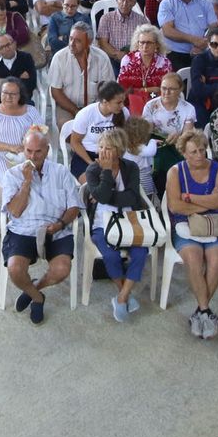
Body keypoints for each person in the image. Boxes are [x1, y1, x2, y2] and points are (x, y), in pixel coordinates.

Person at [0, 128, 81, 326]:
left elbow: (74, 207)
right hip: (23, 228)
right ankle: (37, 297)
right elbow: (15, 212)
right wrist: (26, 183)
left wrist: (61, 223)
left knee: (62, 269)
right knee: (15, 270)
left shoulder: (61, 172)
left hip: (56, 228)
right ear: (23, 151)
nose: (32, 156)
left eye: (38, 151)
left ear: (47, 150)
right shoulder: (12, 175)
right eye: (28, 151)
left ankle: (36, 285)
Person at [165, 129, 218, 338]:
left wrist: (190, 199)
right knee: (193, 259)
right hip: (185, 225)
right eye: (193, 152)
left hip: (217, 224)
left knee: (216, 261)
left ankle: (200, 312)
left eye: (202, 150)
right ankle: (205, 312)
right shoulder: (175, 172)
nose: (199, 156)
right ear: (184, 153)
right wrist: (206, 203)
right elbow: (175, 206)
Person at [84, 128, 151, 322]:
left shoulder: (130, 167)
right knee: (111, 255)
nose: (103, 151)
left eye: (109, 148)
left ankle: (121, 297)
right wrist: (106, 172)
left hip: (128, 220)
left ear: (119, 151)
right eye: (101, 147)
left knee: (141, 252)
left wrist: (103, 196)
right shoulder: (93, 170)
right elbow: (102, 195)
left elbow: (130, 196)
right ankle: (125, 296)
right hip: (101, 223)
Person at [47, 23, 115, 130]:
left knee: (105, 129)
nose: (72, 44)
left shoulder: (102, 58)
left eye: (78, 41)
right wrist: (76, 112)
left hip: (96, 107)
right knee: (69, 129)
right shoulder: (59, 58)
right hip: (68, 107)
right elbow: (56, 92)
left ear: (89, 42)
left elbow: (108, 89)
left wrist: (96, 111)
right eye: (70, 39)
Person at [65, 81, 128, 179]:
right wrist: (91, 163)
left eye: (123, 101)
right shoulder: (86, 114)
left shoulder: (124, 113)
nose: (122, 106)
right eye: (118, 103)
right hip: (87, 156)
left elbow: (125, 140)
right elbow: (75, 142)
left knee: (118, 182)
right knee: (91, 185)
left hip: (114, 156)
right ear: (105, 102)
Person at [157, 0, 217, 72]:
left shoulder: (205, 3)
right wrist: (193, 40)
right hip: (175, 53)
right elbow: (167, 31)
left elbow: (214, 27)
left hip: (202, 51)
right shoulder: (167, 4)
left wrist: (203, 44)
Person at [117, 25, 171, 115]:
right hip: (130, 103)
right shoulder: (128, 60)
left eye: (149, 43)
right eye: (142, 42)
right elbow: (123, 89)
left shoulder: (164, 63)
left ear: (157, 45)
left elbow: (164, 90)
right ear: (137, 44)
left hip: (157, 103)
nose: (145, 46)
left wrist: (138, 90)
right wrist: (150, 90)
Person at [94, 0, 149, 71]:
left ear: (134, 3)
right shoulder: (106, 18)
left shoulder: (141, 21)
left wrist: (131, 57)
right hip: (112, 58)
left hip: (135, 60)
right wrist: (118, 54)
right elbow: (103, 44)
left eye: (129, 0)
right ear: (117, 0)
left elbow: (145, 43)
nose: (125, 3)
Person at [0, 34, 38, 107]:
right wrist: (19, 79)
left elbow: (31, 84)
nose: (7, 48)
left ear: (15, 43)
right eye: (2, 47)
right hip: (0, 102)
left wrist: (3, 82)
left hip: (23, 101)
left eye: (8, 44)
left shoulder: (26, 58)